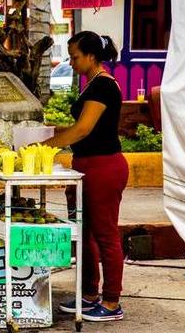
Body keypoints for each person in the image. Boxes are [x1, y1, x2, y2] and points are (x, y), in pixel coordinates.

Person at [45, 31, 127, 322]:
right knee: (85, 233)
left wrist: (44, 146)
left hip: (104, 166)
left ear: (92, 56)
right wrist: (51, 132)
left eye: (75, 56)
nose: (72, 61)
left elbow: (82, 129)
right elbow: (77, 127)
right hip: (86, 165)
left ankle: (112, 301)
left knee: (105, 234)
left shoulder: (104, 86)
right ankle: (90, 294)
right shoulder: (91, 84)